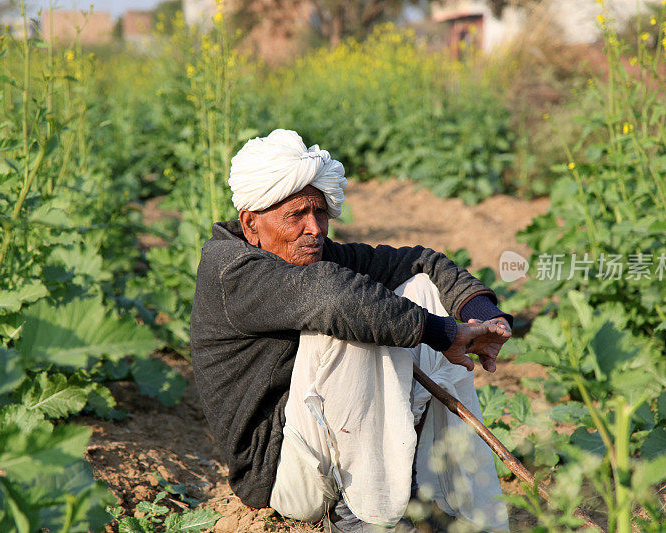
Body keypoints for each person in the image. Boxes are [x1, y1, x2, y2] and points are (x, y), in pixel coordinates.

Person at [191, 129, 513, 532]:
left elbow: (420, 262)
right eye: (296, 216)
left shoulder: (312, 252)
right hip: (281, 473)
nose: (315, 229)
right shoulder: (232, 270)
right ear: (250, 223)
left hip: (323, 449)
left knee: (417, 289)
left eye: (320, 213)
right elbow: (334, 299)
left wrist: (481, 316)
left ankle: (424, 490)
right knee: (353, 317)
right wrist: (441, 333)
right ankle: (364, 513)